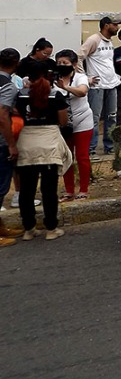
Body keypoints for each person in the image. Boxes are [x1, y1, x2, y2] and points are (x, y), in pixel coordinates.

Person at [13, 60, 73, 241]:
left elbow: (16, 116)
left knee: (26, 190)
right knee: (49, 190)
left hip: (26, 143)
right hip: (49, 144)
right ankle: (51, 228)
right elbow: (63, 122)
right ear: (47, 74)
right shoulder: (56, 95)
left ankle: (29, 229)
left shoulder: (20, 95)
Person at [80, 16, 121, 158]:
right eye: (115, 24)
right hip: (97, 86)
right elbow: (78, 57)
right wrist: (85, 78)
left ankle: (110, 146)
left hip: (111, 83)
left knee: (112, 116)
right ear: (106, 25)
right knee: (94, 117)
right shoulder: (93, 40)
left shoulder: (110, 42)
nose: (117, 28)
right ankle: (91, 148)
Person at [54, 50, 93, 200]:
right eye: (59, 63)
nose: (61, 65)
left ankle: (83, 190)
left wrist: (65, 87)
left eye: (65, 63)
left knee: (82, 156)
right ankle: (69, 190)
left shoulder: (80, 77)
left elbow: (82, 92)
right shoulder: (54, 79)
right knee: (66, 157)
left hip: (82, 120)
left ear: (74, 65)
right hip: (64, 123)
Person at [0, 48, 26, 244]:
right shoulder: (8, 87)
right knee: (1, 187)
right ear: (16, 64)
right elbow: (2, 116)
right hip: (1, 141)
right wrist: (11, 145)